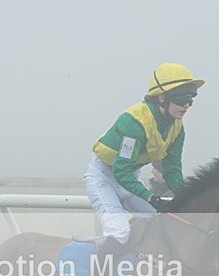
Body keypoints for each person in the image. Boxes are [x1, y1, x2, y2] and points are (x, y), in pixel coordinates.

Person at [84, 62, 204, 263]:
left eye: (191, 99)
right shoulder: (134, 122)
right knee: (119, 232)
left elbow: (172, 170)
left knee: (159, 221)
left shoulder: (177, 128)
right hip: (103, 178)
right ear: (162, 97)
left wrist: (186, 198)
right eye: (182, 98)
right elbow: (121, 172)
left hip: (130, 179)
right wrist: (150, 197)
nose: (187, 105)